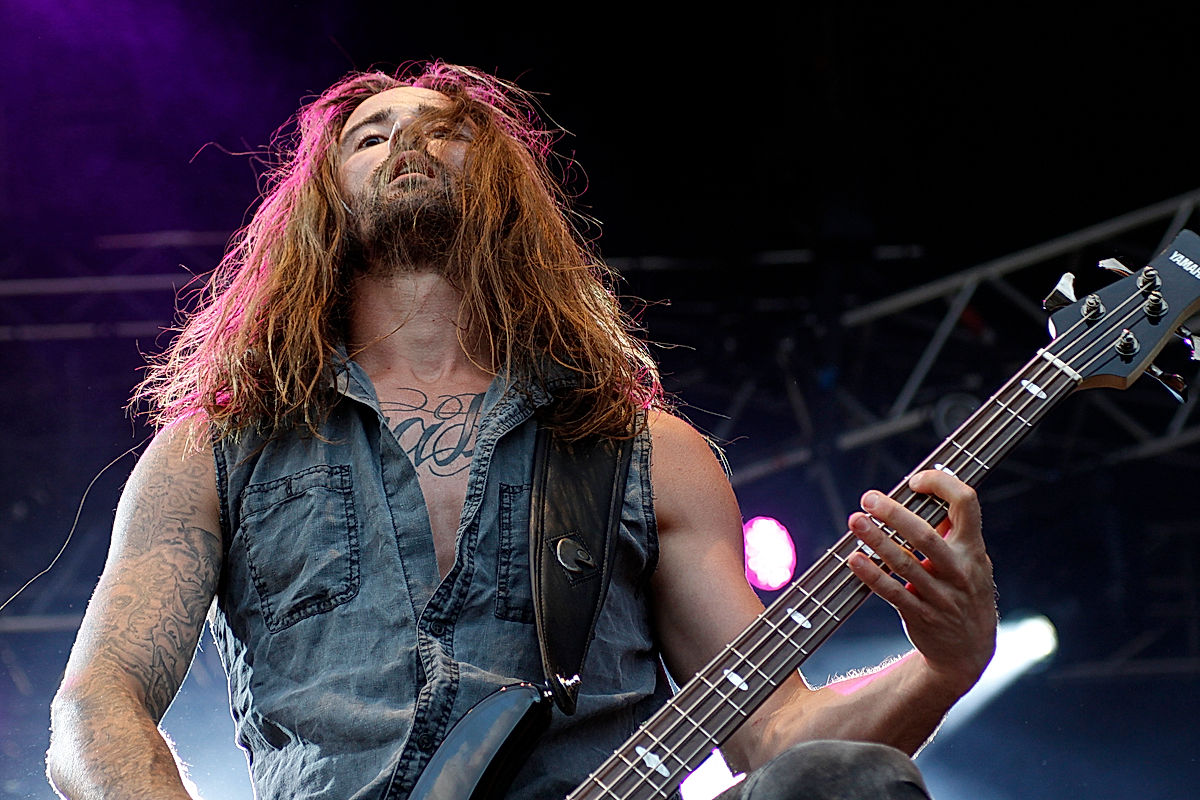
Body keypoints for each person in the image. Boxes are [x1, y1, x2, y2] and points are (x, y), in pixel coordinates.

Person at [45, 62, 997, 800]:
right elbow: (96, 704)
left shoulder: (646, 451)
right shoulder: (216, 449)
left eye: (444, 131)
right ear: (323, 199)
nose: (406, 143)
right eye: (370, 136)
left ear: (499, 183)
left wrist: (948, 662)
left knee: (842, 783)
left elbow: (775, 734)